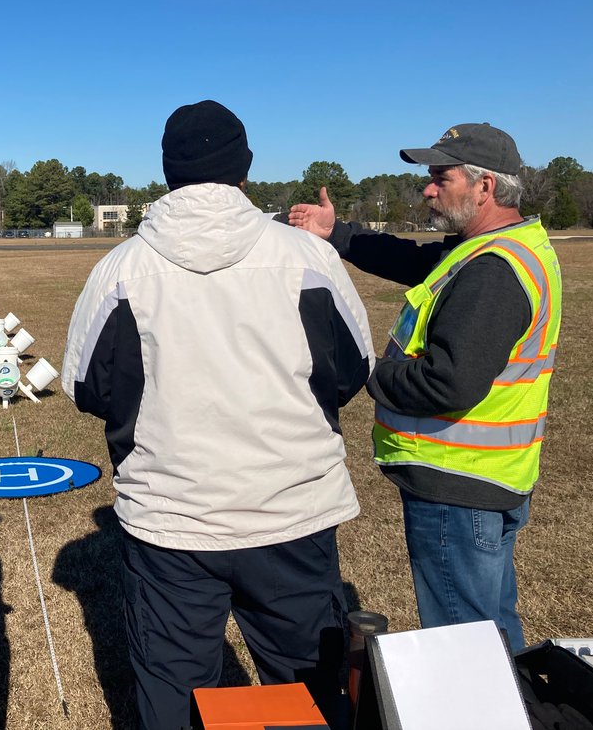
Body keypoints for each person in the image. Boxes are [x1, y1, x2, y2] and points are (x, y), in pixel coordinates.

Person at [62, 100, 375, 730]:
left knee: (173, 698)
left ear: (167, 170)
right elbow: (351, 371)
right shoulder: (309, 259)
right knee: (310, 693)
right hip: (291, 511)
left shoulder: (120, 269)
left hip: (171, 521)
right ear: (245, 168)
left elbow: (87, 386)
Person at [287, 122, 562, 652]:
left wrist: (370, 370)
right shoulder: (492, 248)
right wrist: (336, 231)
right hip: (486, 479)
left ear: (486, 187)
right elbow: (413, 260)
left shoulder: (492, 270)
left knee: (464, 645)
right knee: (491, 630)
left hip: (458, 485)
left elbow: (448, 382)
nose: (428, 188)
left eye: (441, 177)